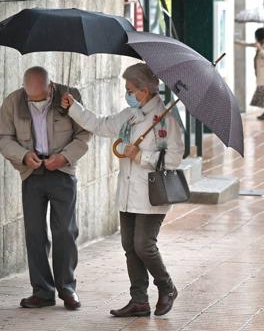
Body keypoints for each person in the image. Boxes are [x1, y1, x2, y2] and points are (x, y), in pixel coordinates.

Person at [61, 63, 184, 317]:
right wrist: (73, 106)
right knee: (130, 246)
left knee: (144, 245)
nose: (127, 93)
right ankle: (139, 301)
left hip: (152, 194)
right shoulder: (130, 115)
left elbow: (174, 159)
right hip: (127, 194)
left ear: (145, 90)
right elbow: (100, 124)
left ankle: (167, 286)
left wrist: (141, 156)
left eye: (130, 89)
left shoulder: (166, 119)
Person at [0, 66, 92, 310]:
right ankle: (42, 291)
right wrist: (24, 156)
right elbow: (2, 136)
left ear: (50, 87)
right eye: (31, 98)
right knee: (35, 233)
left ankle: (67, 288)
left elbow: (85, 133)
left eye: (41, 98)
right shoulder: (14, 101)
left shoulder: (69, 96)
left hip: (62, 171)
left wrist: (65, 157)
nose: (35, 102)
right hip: (32, 173)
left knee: (65, 232)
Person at [236, 27, 264, 120]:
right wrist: (237, 41)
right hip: (263, 73)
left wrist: (260, 49)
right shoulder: (262, 42)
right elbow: (249, 44)